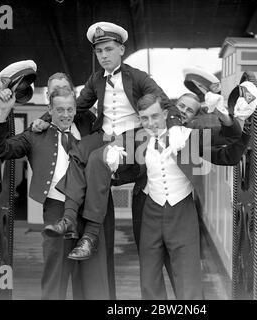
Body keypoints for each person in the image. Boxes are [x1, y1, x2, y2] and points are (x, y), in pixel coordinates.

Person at [39, 22, 184, 267]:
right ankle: (70, 219)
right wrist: (43, 120)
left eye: (108, 49)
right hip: (105, 134)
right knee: (78, 151)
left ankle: (90, 236)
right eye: (99, 51)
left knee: (96, 158)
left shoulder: (138, 77)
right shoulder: (96, 79)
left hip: (133, 135)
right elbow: (78, 106)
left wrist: (176, 129)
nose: (103, 55)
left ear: (121, 50)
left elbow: (165, 104)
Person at [0, 73, 110, 300]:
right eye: (59, 110)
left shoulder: (89, 128)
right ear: (49, 109)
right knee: (55, 278)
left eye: (69, 109)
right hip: (56, 211)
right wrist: (2, 113)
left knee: (92, 283)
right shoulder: (35, 135)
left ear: (75, 108)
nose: (65, 115)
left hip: (90, 212)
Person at [134, 93, 241, 299]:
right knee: (149, 276)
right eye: (145, 118)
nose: (150, 122)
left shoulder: (187, 136)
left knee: (187, 276)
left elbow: (230, 136)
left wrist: (222, 113)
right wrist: (111, 168)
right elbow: (124, 169)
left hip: (181, 209)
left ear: (165, 113)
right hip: (151, 211)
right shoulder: (138, 140)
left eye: (155, 116)